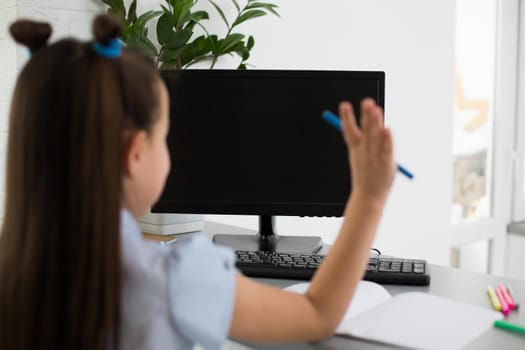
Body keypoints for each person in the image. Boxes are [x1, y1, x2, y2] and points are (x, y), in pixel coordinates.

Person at [0, 14, 395, 350]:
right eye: (165, 136)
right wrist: (369, 198)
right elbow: (317, 315)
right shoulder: (174, 278)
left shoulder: (14, 272)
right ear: (135, 153)